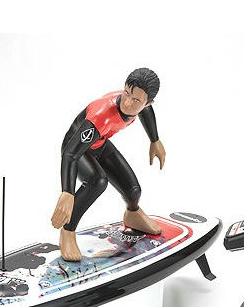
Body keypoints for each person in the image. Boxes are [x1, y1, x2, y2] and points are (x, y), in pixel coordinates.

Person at [51, 67, 166, 261]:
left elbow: (146, 112)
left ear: (147, 103)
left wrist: (155, 140)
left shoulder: (143, 105)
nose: (127, 102)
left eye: (136, 100)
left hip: (99, 143)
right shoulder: (101, 115)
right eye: (126, 93)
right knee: (97, 181)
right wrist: (67, 192)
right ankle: (68, 231)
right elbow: (70, 154)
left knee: (134, 191)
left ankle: (133, 215)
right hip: (76, 149)